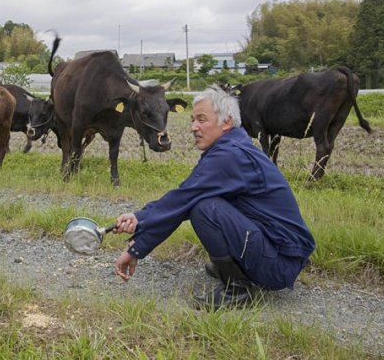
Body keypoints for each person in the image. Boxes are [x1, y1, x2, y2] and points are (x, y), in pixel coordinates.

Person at [113, 85, 315, 308]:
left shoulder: (230, 155)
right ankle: (235, 267)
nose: (193, 127)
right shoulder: (232, 146)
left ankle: (237, 289)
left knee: (204, 208)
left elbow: (184, 199)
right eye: (192, 120)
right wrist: (138, 218)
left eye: (201, 119)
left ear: (226, 122)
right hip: (277, 253)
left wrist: (136, 245)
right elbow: (185, 193)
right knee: (202, 201)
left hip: (279, 263)